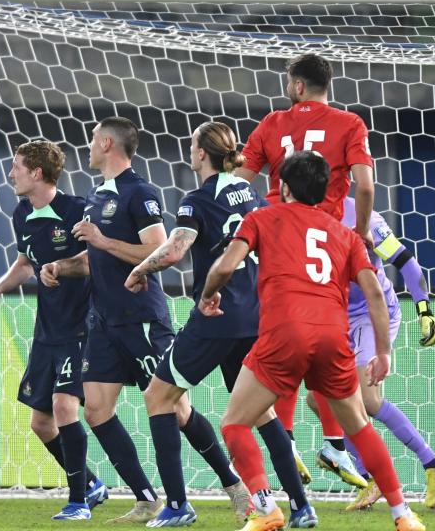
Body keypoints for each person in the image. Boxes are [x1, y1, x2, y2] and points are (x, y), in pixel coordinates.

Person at [42, 117, 250, 526]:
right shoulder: (96, 195)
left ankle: (234, 487)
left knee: (176, 409)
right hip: (104, 321)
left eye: (90, 139)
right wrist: (62, 266)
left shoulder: (140, 192)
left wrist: (101, 240)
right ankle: (146, 498)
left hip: (140, 318)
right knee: (97, 410)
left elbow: (156, 251)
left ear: (106, 143)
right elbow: (97, 259)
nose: (86, 147)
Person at [203, 151, 426, 531]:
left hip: (284, 333)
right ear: (324, 192)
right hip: (332, 337)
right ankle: (402, 513)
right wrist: (384, 351)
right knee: (359, 425)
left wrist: (209, 294)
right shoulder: (345, 233)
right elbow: (374, 292)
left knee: (235, 423)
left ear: (284, 187)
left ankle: (265, 508)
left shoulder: (262, 217)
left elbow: (226, 265)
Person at [125, 121, 318, 529]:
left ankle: (178, 505)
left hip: (215, 317)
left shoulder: (197, 200)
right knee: (260, 414)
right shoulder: (253, 195)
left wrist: (141, 269)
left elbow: (176, 250)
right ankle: (301, 507)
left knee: (158, 398)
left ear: (201, 154)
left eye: (192, 144)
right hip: (256, 318)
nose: (190, 150)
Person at [236, 52, 375, 486]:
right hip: (328, 245)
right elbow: (366, 184)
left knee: (283, 339)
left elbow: (240, 180)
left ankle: (292, 440)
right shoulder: (350, 123)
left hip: (277, 243)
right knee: (320, 339)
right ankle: (333, 446)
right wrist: (360, 231)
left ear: (297, 86)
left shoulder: (273, 124)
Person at [0, 140, 108, 521]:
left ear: (37, 173)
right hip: (47, 329)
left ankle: (78, 502)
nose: (11, 174)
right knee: (40, 422)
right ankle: (92, 484)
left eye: (16, 167)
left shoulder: (77, 210)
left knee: (64, 407)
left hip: (81, 326)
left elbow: (97, 259)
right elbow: (26, 263)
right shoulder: (21, 213)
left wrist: (63, 266)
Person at [307, 197, 435, 511]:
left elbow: (404, 261)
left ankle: (433, 465)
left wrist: (424, 309)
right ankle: (368, 477)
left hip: (373, 313)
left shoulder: (361, 216)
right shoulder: (302, 214)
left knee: (368, 401)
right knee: (319, 400)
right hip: (335, 317)